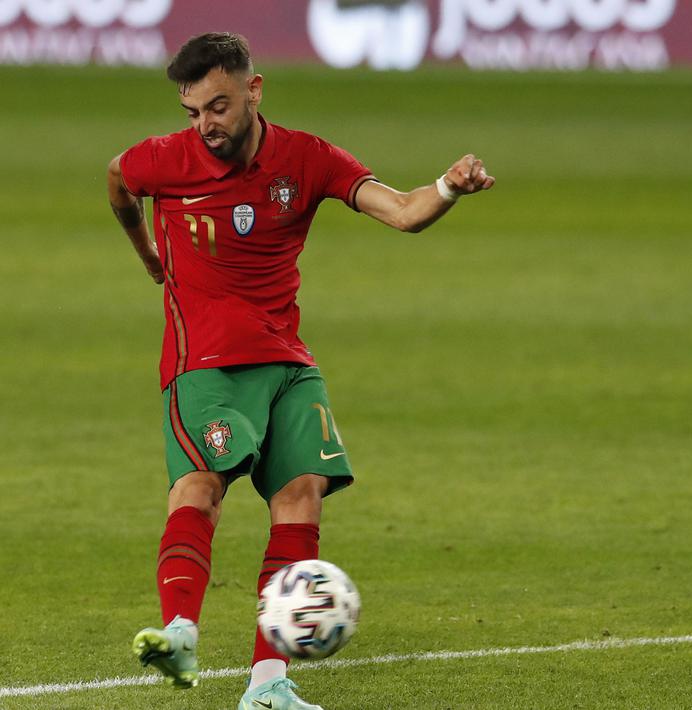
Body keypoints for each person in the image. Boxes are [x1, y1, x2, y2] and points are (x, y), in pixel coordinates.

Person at [105, 32, 494, 710]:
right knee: (201, 485)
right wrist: (145, 252)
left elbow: (402, 213)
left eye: (218, 107)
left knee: (301, 497)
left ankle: (268, 684)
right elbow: (117, 180)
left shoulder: (307, 158)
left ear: (254, 91)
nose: (206, 126)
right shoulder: (165, 160)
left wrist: (447, 187)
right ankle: (180, 631)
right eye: (193, 111)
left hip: (286, 360)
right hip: (206, 364)